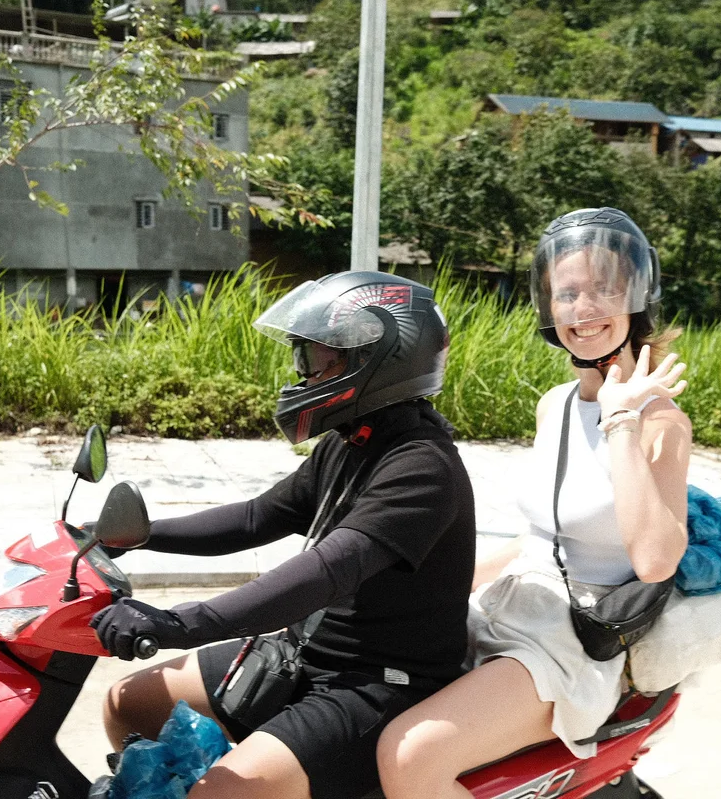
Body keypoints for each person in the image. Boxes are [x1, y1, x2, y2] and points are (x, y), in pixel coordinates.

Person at [91, 271, 477, 799]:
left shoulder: (421, 468)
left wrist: (178, 623)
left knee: (216, 795)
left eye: (319, 359)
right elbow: (257, 518)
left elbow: (323, 574)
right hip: (303, 653)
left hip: (375, 683)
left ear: (378, 361)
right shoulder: (351, 441)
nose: (304, 374)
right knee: (127, 703)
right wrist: (132, 536)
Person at [377, 207, 692, 797]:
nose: (583, 308)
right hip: (511, 604)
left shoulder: (661, 424)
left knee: (410, 755)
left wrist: (622, 420)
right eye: (567, 294)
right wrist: (434, 586)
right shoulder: (555, 404)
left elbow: (655, 561)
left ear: (637, 298)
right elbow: (542, 542)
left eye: (603, 289)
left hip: (570, 645)